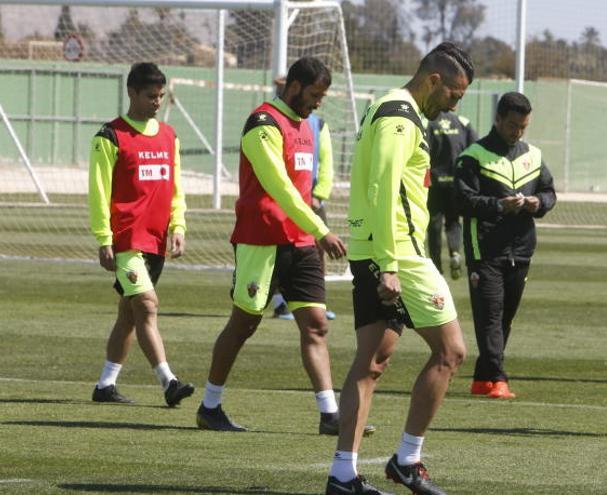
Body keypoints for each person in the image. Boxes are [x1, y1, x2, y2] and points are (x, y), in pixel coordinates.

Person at [326, 42, 473, 495]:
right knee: (451, 352)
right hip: (399, 254)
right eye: (454, 94)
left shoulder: (384, 107)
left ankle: (343, 475)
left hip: (376, 250)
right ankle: (407, 459)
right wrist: (389, 265)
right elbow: (383, 186)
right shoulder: (399, 116)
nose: (453, 105)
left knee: (371, 363)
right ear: (434, 81)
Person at [195, 57, 359, 436]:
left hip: (300, 241)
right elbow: (279, 187)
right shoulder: (263, 124)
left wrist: (312, 229)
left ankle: (330, 414)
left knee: (316, 325)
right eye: (315, 95)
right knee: (243, 324)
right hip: (261, 240)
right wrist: (321, 228)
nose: (318, 103)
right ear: (295, 86)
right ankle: (209, 406)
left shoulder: (309, 126)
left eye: (323, 97)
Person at [87, 62, 195, 407]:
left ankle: (105, 385)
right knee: (147, 306)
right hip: (126, 240)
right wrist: (104, 239)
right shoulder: (110, 137)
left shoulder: (169, 135)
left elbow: (175, 187)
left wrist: (178, 224)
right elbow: (98, 192)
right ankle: (169, 382)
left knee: (129, 315)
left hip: (156, 241)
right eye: (151, 95)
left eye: (161, 96)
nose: (157, 102)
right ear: (131, 92)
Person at [454, 92, 556, 400]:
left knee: (504, 317)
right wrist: (500, 206)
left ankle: (482, 379)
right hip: (485, 248)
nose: (517, 132)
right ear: (498, 119)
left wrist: (538, 203)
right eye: (512, 125)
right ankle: (498, 378)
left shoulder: (533, 156)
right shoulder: (472, 156)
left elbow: (549, 191)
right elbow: (462, 201)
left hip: (522, 248)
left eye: (523, 127)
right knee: (490, 315)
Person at [271, 80, 337, 321]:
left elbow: (326, 161)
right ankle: (280, 303)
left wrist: (320, 194)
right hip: (283, 201)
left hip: (312, 201)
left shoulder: (318, 124)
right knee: (281, 251)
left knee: (319, 249)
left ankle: (317, 301)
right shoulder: (270, 121)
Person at [426, 111, 476, 280]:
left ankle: (436, 266)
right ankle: (454, 252)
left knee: (434, 223)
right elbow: (474, 150)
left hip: (434, 182)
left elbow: (423, 153)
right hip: (456, 182)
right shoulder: (463, 122)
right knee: (453, 221)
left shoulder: (429, 123)